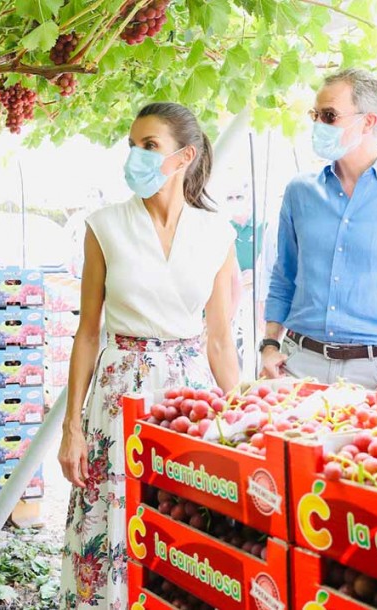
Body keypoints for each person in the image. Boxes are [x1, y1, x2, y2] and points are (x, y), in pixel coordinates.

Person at [58, 102, 239, 609]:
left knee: (180, 520)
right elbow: (87, 333)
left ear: (185, 157)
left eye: (149, 146)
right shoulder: (105, 226)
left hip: (187, 396)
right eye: (132, 146)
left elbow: (221, 339)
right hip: (117, 390)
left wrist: (244, 414)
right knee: (108, 524)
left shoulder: (217, 234)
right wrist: (72, 426)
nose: (135, 156)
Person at [260, 68, 377, 389]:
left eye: (329, 116)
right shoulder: (300, 192)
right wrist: (269, 346)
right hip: (299, 365)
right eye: (315, 115)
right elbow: (284, 277)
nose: (317, 125)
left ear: (368, 122)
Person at [227, 183, 265, 378]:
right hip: (230, 296)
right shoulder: (224, 230)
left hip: (255, 297)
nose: (235, 202)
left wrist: (255, 275)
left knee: (254, 344)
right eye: (230, 198)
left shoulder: (262, 228)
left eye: (239, 197)